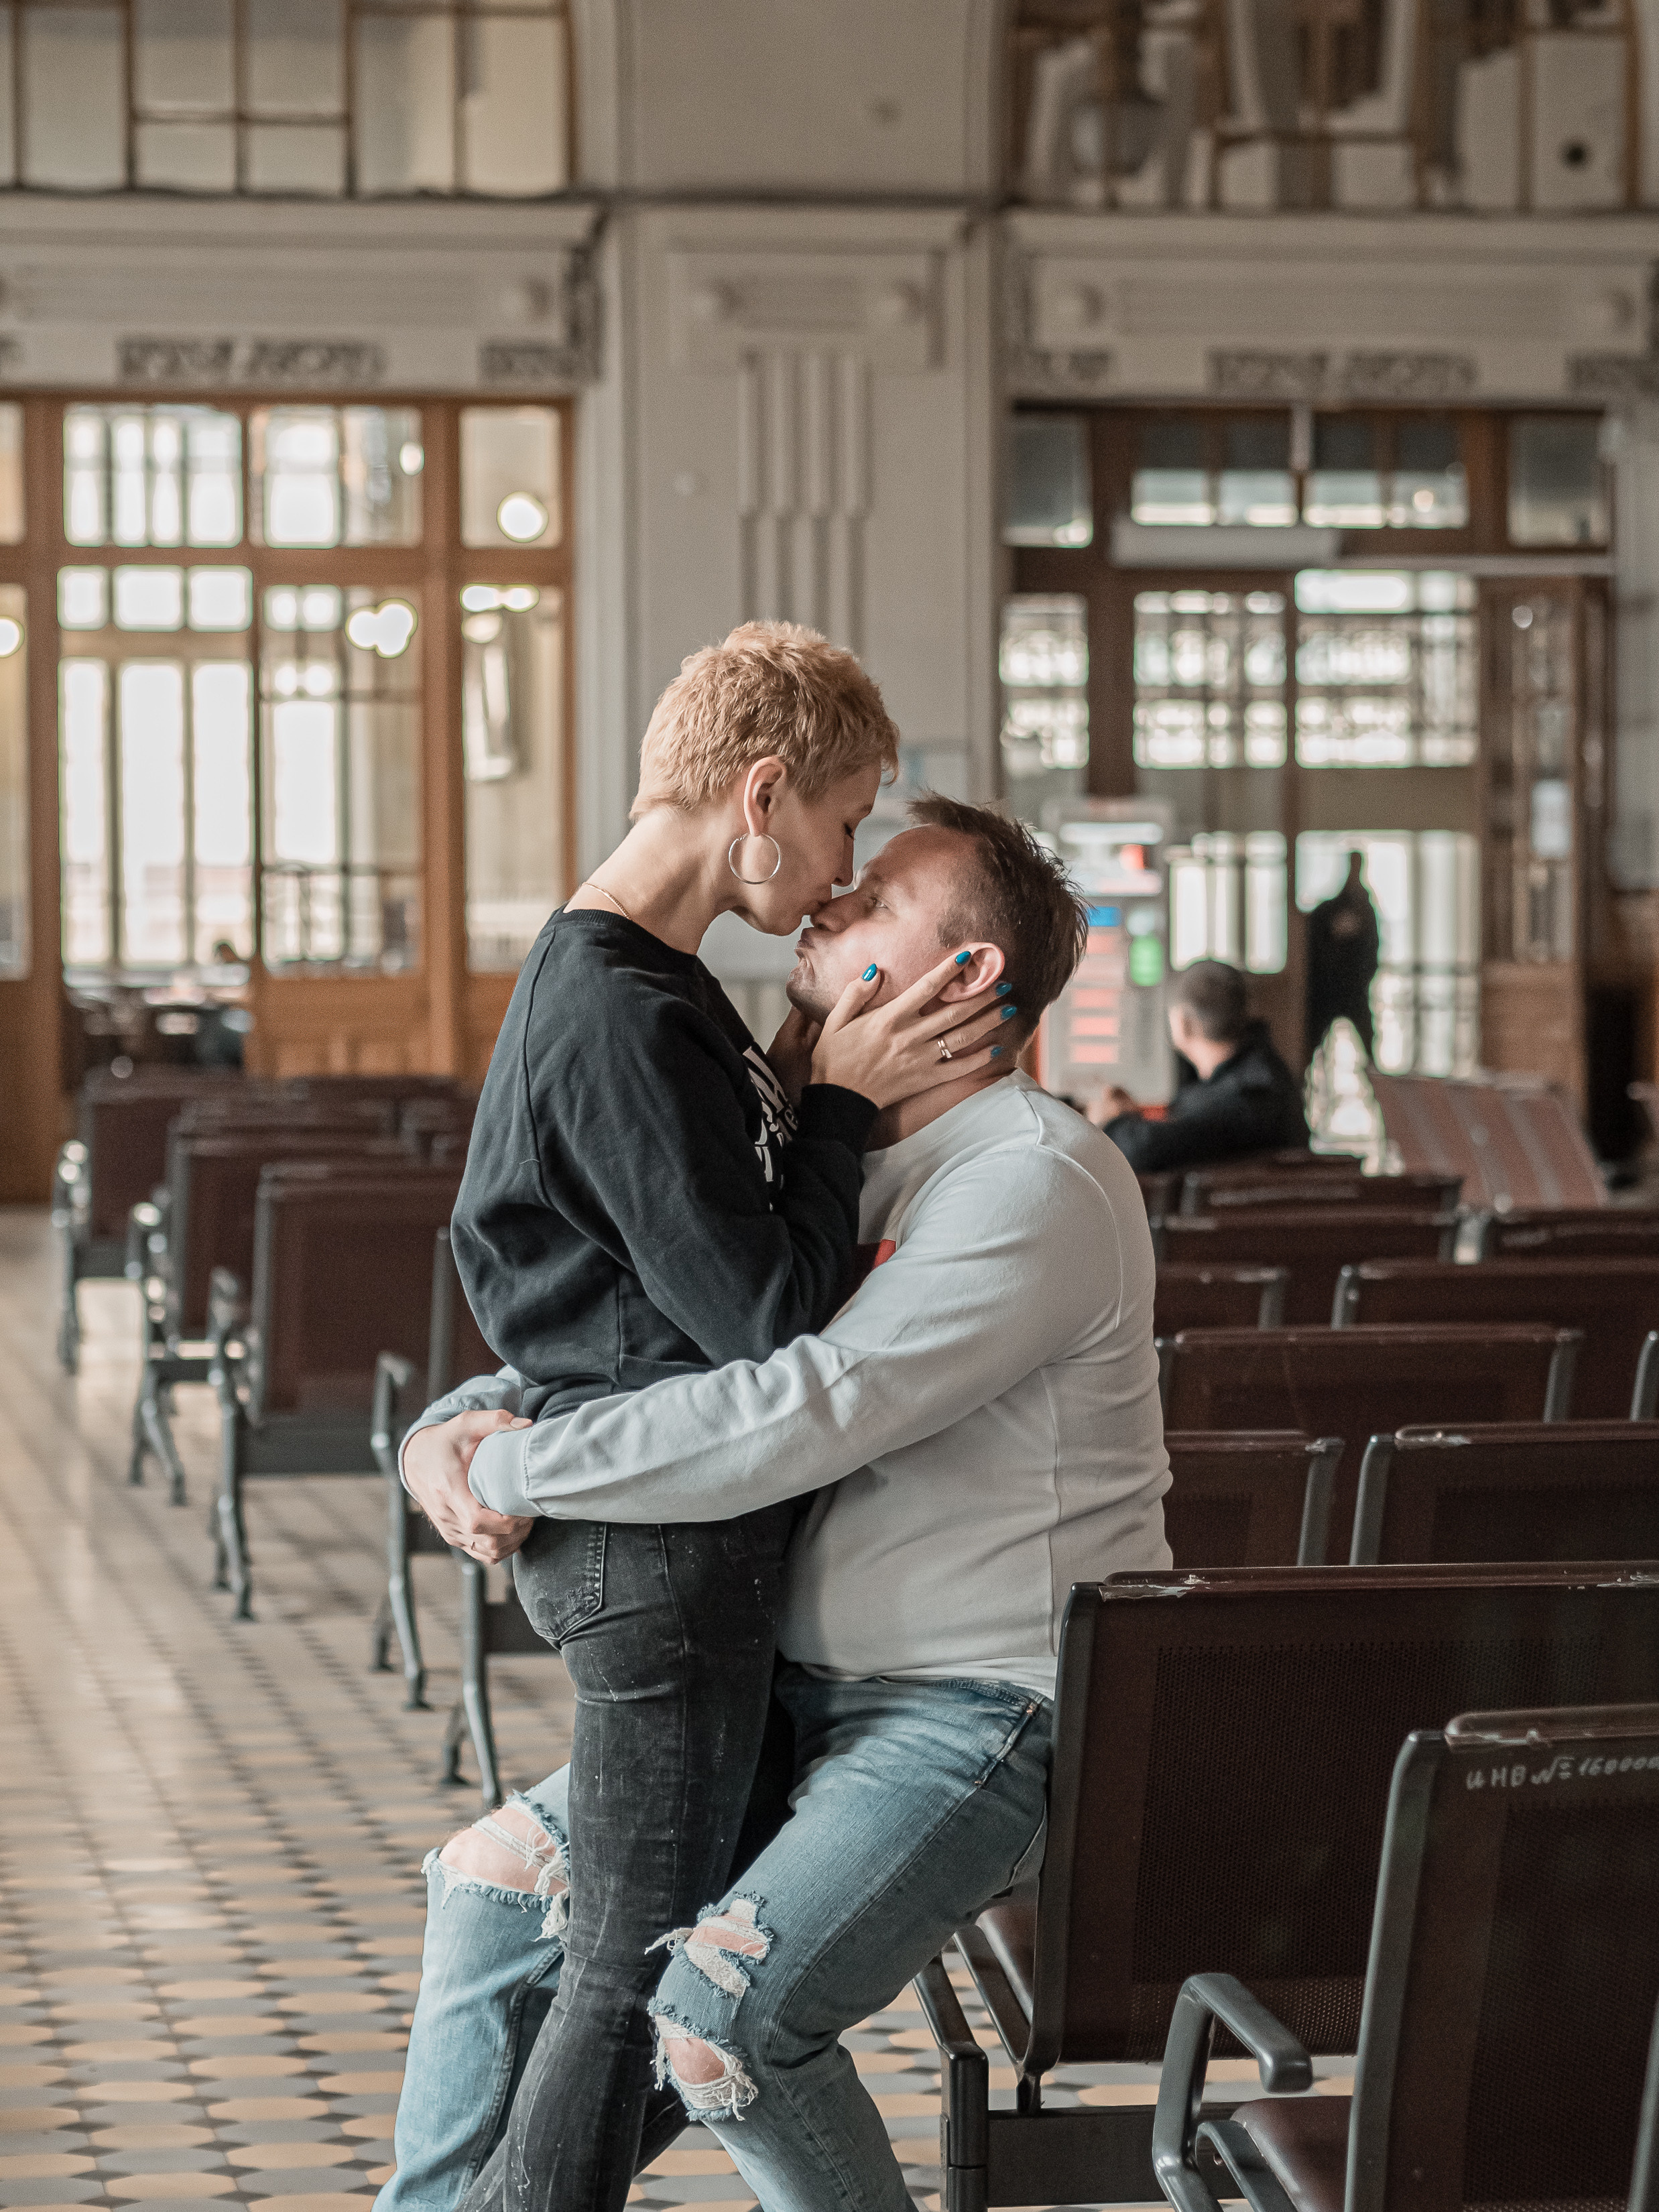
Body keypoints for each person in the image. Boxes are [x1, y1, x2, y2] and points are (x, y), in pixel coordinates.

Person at [391, 797, 1172, 2212]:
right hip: (788, 1696)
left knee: (718, 2024)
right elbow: (652, 1329)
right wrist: (444, 1428)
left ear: (966, 974)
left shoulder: (1031, 1178)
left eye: (871, 898)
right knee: (493, 1887)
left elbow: (801, 1408)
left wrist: (513, 1468)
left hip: (976, 1713)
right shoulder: (840, 1148)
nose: (826, 905)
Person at [434, 621, 1008, 2212]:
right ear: (760, 790)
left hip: (662, 1539)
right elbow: (762, 1316)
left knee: (649, 1981)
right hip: (655, 1553)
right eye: (840, 822)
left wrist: (804, 1073)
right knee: (630, 1985)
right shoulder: (617, 1003)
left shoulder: (650, 989)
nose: (835, 876)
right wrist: (831, 1102)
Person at [1099, 957, 1307, 1173]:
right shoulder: (1271, 1075)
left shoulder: (1246, 1095)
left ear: (1182, 1023)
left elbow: (1139, 1151)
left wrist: (1114, 1122)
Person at [1305, 849, 1380, 1061]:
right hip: (1329, 989)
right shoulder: (1329, 910)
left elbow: (1372, 948)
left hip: (1354, 989)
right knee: (1312, 1043)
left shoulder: (1364, 908)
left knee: (1368, 1047)